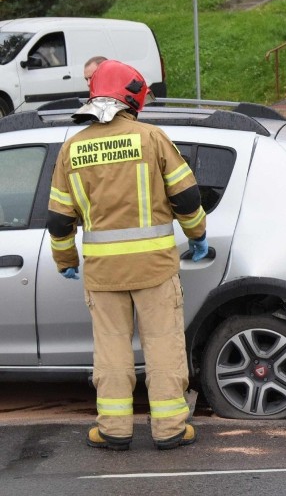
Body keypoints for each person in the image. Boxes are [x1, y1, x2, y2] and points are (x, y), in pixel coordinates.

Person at [47, 60, 208, 451]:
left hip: (104, 273)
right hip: (154, 268)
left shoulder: (73, 147)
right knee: (163, 344)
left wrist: (66, 261)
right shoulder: (151, 138)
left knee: (112, 350)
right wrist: (197, 235)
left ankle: (114, 430)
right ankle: (169, 428)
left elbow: (58, 220)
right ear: (131, 97)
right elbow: (186, 198)